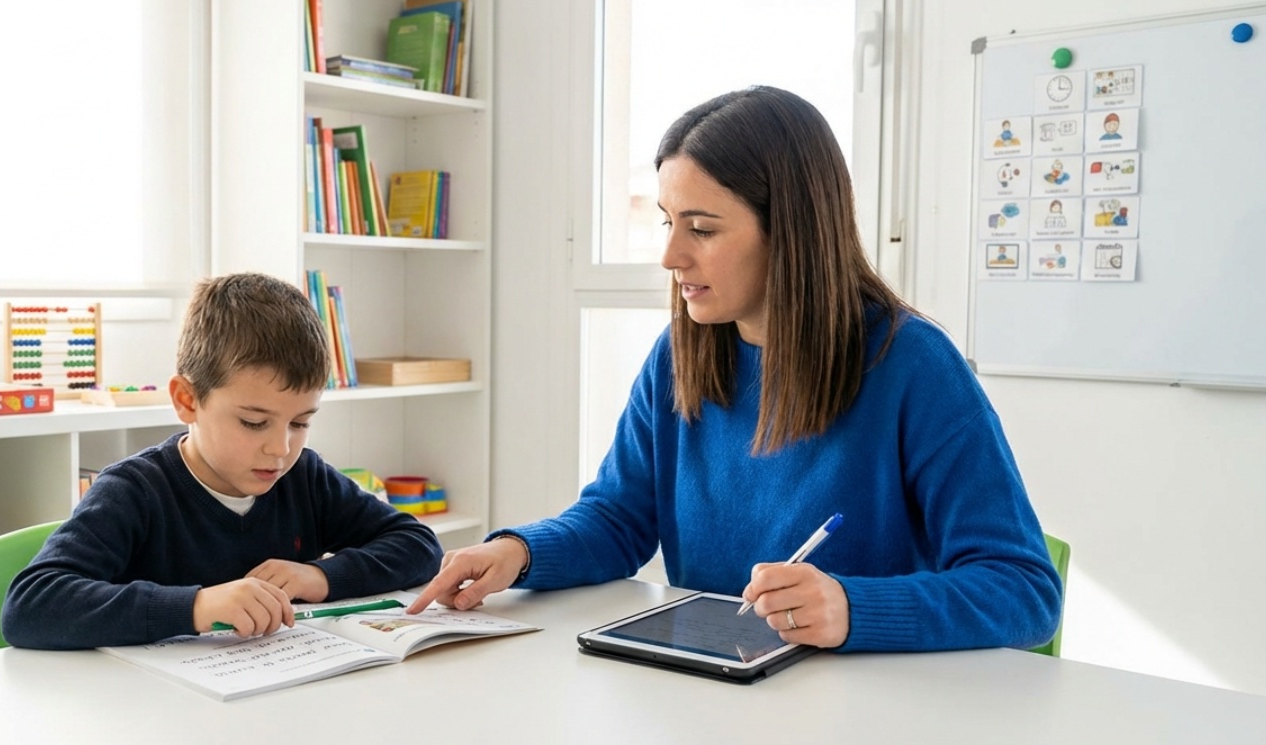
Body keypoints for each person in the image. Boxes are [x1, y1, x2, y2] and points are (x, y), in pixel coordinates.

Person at [409, 86, 1061, 653]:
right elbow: (617, 520)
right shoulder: (678, 356)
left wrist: (852, 608)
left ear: (792, 232)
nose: (670, 255)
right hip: (718, 691)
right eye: (668, 222)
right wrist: (518, 553)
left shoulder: (913, 364)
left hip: (867, 711)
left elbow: (1024, 589)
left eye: (701, 229)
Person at [2, 273, 442, 649]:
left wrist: (320, 576)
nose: (280, 448)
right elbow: (30, 605)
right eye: (254, 423)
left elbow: (418, 544)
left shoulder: (304, 478)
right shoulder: (135, 491)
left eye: (300, 422)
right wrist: (196, 606)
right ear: (187, 400)